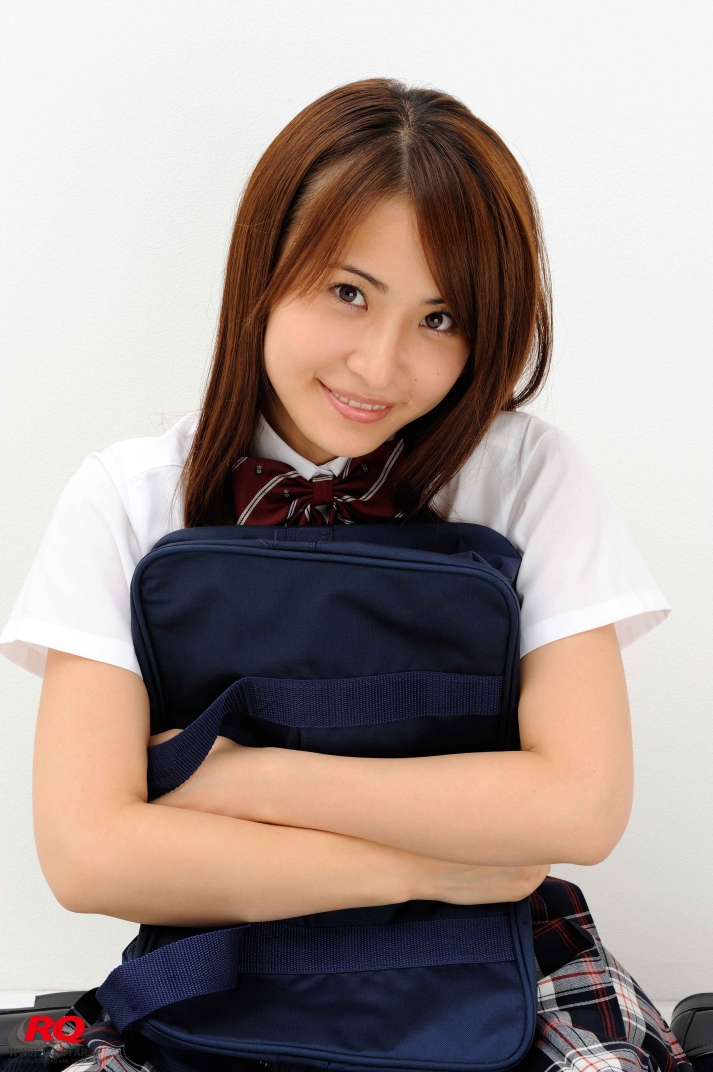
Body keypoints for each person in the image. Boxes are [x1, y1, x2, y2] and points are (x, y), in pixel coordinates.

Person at [0, 78, 690, 1072]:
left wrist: (237, 778)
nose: (378, 364)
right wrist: (432, 867)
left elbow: (577, 807)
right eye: (348, 293)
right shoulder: (127, 496)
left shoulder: (525, 473)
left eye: (439, 318)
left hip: (495, 960)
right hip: (226, 968)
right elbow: (90, 856)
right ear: (263, 268)